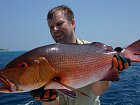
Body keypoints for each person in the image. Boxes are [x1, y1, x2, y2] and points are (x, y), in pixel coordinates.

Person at [30, 5, 131, 105]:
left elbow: (97, 91)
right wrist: (46, 98)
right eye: (51, 27)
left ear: (72, 23)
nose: (54, 29)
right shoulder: (46, 59)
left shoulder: (94, 51)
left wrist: (113, 67)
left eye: (59, 24)